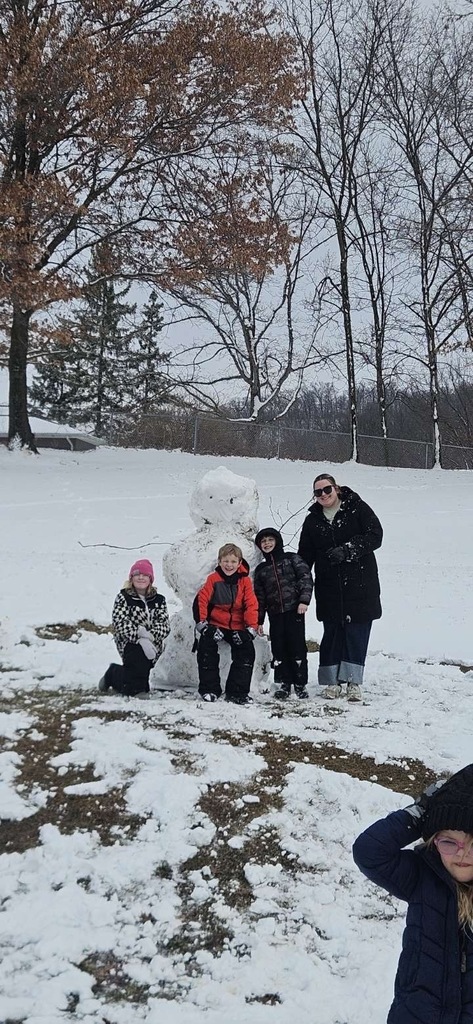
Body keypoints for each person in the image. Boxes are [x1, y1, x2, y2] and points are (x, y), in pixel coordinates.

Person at [353, 764, 473, 1024]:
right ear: (434, 841)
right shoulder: (423, 877)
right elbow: (369, 852)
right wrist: (418, 814)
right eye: (449, 842)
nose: (463, 854)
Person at [297, 471, 382, 702]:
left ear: (337, 489)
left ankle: (353, 681)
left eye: (327, 489)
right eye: (318, 492)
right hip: (329, 585)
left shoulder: (357, 508)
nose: (323, 495)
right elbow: (305, 555)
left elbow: (376, 535)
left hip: (360, 583)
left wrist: (348, 550)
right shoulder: (313, 520)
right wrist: (297, 579)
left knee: (356, 633)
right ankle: (332, 682)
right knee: (332, 634)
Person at [194, 543, 258, 705]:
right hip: (217, 623)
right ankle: (210, 689)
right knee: (206, 648)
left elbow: (251, 605)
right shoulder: (213, 579)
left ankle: (237, 692)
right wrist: (203, 625)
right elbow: (202, 600)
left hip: (237, 625)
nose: (229, 565)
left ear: (239, 562)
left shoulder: (245, 581)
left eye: (233, 561)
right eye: (226, 561)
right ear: (219, 561)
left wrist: (250, 629)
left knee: (246, 651)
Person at [253, 527, 313, 700]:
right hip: (275, 614)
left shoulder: (291, 558)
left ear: (277, 541)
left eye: (270, 540)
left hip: (295, 610)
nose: (267, 543)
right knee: (279, 647)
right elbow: (260, 597)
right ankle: (283, 683)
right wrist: (259, 620)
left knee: (297, 646)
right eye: (263, 541)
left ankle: (300, 683)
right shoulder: (261, 569)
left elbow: (305, 577)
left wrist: (304, 600)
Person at [99, 558, 170, 699]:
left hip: (153, 643)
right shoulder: (123, 597)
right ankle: (136, 690)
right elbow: (120, 622)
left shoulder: (159, 600)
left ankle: (114, 674)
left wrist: (149, 636)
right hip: (129, 642)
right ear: (131, 578)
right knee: (137, 663)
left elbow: (164, 624)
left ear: (151, 579)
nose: (141, 577)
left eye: (145, 575)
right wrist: (139, 637)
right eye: (137, 574)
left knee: (138, 676)